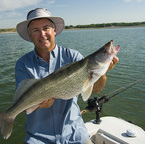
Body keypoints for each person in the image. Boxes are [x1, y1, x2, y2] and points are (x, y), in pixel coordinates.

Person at [15, 8, 118, 144]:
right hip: (38, 139)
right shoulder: (23, 64)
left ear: (54, 30)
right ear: (30, 35)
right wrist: (38, 103)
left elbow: (96, 89)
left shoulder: (73, 56)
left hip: (75, 135)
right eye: (36, 30)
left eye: (46, 28)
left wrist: (102, 73)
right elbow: (23, 99)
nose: (42, 34)